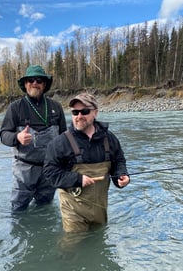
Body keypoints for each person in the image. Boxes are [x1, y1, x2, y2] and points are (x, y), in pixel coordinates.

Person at [43, 92, 130, 233]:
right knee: (73, 246)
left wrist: (121, 175)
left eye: (84, 111)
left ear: (95, 113)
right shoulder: (59, 143)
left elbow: (119, 161)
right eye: (75, 112)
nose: (79, 116)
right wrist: (77, 179)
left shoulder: (110, 139)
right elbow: (49, 173)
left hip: (100, 208)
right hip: (73, 209)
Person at [0, 65, 67, 211]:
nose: (35, 83)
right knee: (18, 209)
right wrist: (17, 136)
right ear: (25, 84)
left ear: (45, 84)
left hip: (49, 168)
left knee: (44, 208)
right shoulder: (15, 107)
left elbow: (64, 138)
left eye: (39, 80)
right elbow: (3, 134)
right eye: (30, 80)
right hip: (24, 168)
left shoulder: (56, 107)